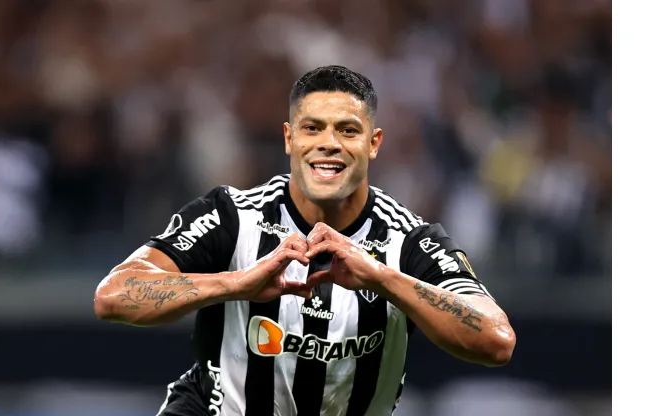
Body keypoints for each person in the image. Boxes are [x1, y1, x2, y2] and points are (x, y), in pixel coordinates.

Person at [94, 65, 516, 416]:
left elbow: (496, 340)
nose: (328, 144)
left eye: (347, 131)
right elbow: (113, 296)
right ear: (289, 138)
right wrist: (235, 284)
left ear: (373, 144)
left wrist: (382, 277)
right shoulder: (233, 215)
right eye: (312, 128)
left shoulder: (408, 241)